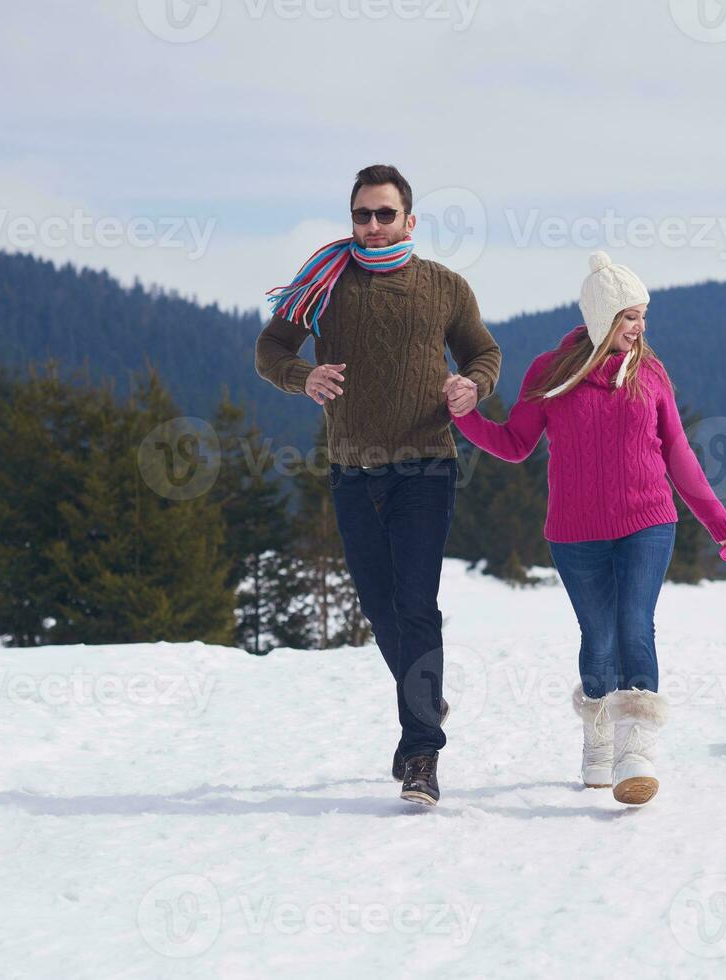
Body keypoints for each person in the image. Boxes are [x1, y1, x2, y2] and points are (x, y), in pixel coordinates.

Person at [447, 251, 726, 806]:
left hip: (648, 522)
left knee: (635, 624)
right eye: (629, 316)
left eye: (643, 316)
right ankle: (599, 738)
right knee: (599, 636)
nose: (640, 328)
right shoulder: (550, 371)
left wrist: (721, 525)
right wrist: (464, 415)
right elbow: (515, 445)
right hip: (575, 529)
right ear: (603, 316)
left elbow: (678, 453)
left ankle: (637, 751)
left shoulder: (650, 373)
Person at [256, 164, 501, 807]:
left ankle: (421, 751)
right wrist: (299, 378)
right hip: (351, 470)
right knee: (379, 607)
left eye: (384, 214)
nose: (371, 226)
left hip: (425, 467)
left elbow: (484, 353)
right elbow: (271, 346)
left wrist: (471, 386)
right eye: (361, 215)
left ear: (409, 221)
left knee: (416, 604)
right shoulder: (326, 285)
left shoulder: (446, 288)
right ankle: (427, 697)